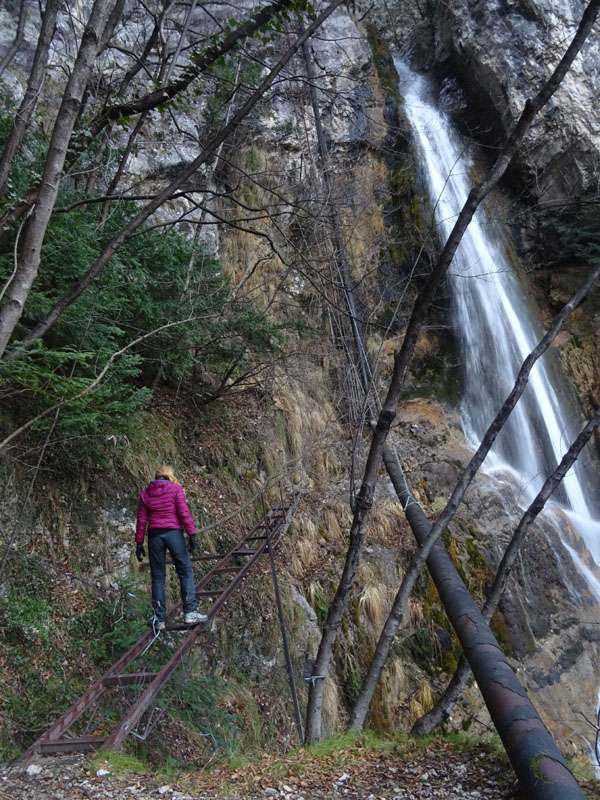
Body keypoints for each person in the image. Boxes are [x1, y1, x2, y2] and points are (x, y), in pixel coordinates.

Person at [135, 465, 207, 630]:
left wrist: (139, 543)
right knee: (185, 571)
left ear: (157, 475)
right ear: (170, 476)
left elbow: (141, 520)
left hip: (155, 537)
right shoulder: (175, 489)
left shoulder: (146, 493)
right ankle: (190, 612)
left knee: (158, 578)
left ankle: (159, 619)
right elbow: (183, 512)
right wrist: (192, 534)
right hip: (174, 534)